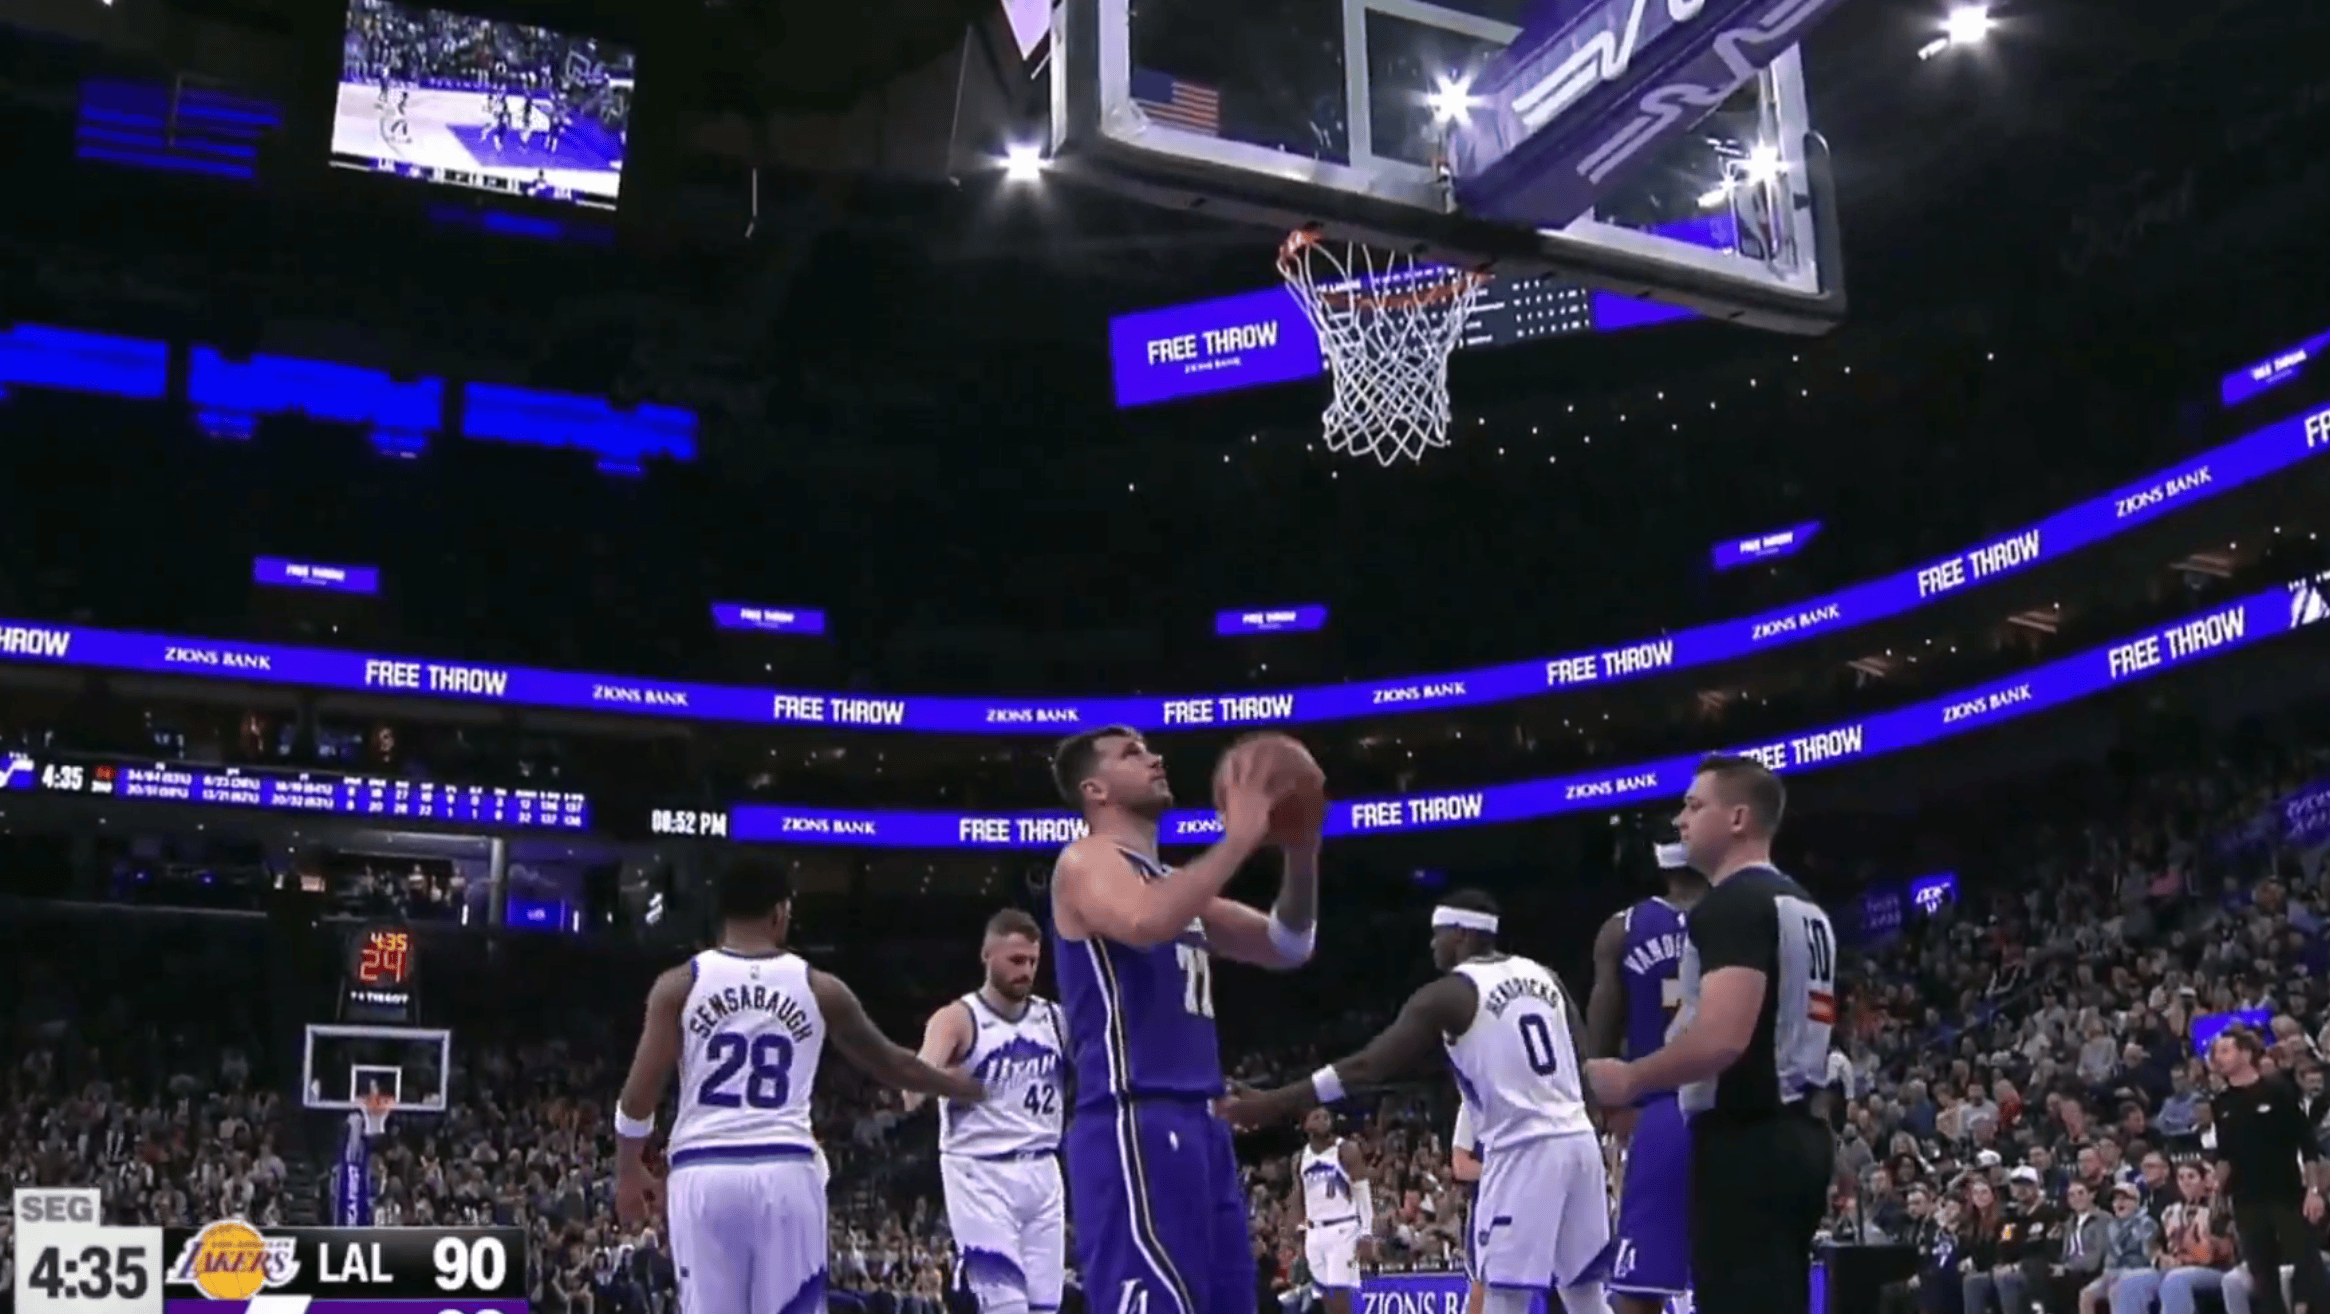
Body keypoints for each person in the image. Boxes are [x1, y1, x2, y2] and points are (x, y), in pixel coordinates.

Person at [611, 857, 985, 1314]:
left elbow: (639, 1095)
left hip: (704, 1169)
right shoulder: (819, 987)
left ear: (721, 914)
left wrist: (628, 1169)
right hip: (786, 1168)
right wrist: (963, 1086)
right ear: (780, 913)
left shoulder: (678, 986)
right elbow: (894, 1065)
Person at [1218, 889, 1613, 1314]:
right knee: (1585, 1295)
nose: (1432, 944)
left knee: (1505, 1297)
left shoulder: (1449, 994)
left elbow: (1368, 1066)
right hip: (1579, 1143)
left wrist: (1273, 1102)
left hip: (1523, 1149)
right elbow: (1585, 1058)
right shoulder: (1546, 976)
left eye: (1437, 933)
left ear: (1461, 934)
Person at [1048, 726, 1324, 1314]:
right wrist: (1239, 839)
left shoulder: (1172, 885)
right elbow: (1145, 922)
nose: (1155, 758)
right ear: (1095, 790)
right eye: (1132, 754)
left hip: (1205, 1123)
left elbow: (1289, 944)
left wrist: (1302, 852)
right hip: (1133, 1118)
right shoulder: (1084, 861)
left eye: (1149, 749)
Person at [1583, 754, 1838, 1314]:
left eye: (1695, 806)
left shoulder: (1733, 905)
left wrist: (1631, 1078)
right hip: (1801, 1125)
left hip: (1747, 1135)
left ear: (1738, 818)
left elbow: (1722, 1038)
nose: (1681, 819)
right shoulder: (1803, 903)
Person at [902, 908, 1069, 1314]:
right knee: (1005, 1306)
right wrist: (951, 1082)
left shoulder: (1054, 1019)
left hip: (1043, 1169)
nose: (1026, 971)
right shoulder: (958, 1018)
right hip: (980, 1172)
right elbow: (910, 1092)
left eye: (1032, 961)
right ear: (987, 956)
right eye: (1016, 960)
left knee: (1046, 1307)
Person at [1586, 830, 1707, 1314]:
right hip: (1735, 1104)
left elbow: (1599, 1043)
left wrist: (1608, 1106)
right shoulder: (1748, 912)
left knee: (1639, 1288)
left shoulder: (1622, 929)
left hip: (1660, 1108)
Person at [2207, 1026, 2330, 1314]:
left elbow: (2307, 1143)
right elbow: (2225, 1155)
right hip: (2246, 1200)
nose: (2218, 1058)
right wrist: (2216, 1188)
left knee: (2308, 1267)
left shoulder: (2278, 1091)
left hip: (2286, 1194)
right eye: (2215, 1053)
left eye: (2225, 1050)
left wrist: (2313, 1191)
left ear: (2246, 1053)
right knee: (2262, 1278)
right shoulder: (2221, 1103)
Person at [1291, 1108, 1372, 1314]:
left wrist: (1366, 1232)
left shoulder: (1346, 1150)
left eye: (1326, 1116)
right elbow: (1299, 1198)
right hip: (1314, 1232)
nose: (1324, 1120)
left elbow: (1363, 1193)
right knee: (1325, 1297)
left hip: (1343, 1229)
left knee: (1341, 1294)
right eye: (1316, 1117)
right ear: (1305, 1125)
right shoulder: (1299, 1158)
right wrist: (1299, 1232)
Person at [1450, 1102, 1486, 1314]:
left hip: (1529, 1207)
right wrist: (1503, 1171)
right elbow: (1461, 1167)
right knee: (1481, 1288)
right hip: (1488, 1211)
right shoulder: (1473, 1104)